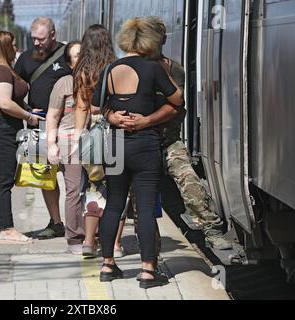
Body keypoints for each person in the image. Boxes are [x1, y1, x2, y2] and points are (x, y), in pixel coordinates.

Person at [127, 16, 232, 250]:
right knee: (139, 196)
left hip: (167, 140)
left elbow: (174, 105)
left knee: (189, 179)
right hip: (140, 141)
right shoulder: (131, 66)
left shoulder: (173, 69)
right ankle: (147, 245)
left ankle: (211, 230)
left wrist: (147, 121)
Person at [93, 18, 183, 289]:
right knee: (144, 208)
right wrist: (147, 117)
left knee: (114, 204)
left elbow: (98, 106)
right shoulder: (152, 67)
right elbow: (177, 99)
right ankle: (146, 271)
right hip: (144, 144)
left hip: (116, 145)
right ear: (149, 41)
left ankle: (108, 264)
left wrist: (113, 115)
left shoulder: (110, 68)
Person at [0, 31, 43, 244]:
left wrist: (28, 108)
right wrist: (29, 117)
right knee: (3, 181)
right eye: (13, 44)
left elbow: (10, 100)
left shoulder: (2, 70)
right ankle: (6, 228)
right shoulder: (1, 72)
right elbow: (4, 103)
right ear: (5, 47)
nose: (16, 47)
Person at [73, 25, 127, 259]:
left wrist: (78, 135)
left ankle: (88, 242)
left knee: (93, 187)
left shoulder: (81, 70)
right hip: (116, 131)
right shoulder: (116, 69)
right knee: (118, 189)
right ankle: (115, 244)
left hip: (93, 134)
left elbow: (81, 107)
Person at [14, 17, 71, 240]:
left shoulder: (68, 54)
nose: (36, 43)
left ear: (53, 35)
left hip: (67, 124)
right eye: (34, 39)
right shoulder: (26, 59)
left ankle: (79, 221)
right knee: (45, 175)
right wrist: (27, 110)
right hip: (39, 124)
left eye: (41, 39)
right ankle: (56, 222)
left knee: (74, 175)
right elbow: (15, 88)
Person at [46, 41, 85, 255]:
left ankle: (93, 234)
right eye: (77, 55)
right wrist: (51, 144)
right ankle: (74, 238)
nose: (81, 58)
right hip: (69, 142)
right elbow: (52, 115)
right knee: (75, 190)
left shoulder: (97, 80)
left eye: (83, 53)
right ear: (70, 63)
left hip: (95, 142)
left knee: (96, 191)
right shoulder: (64, 83)